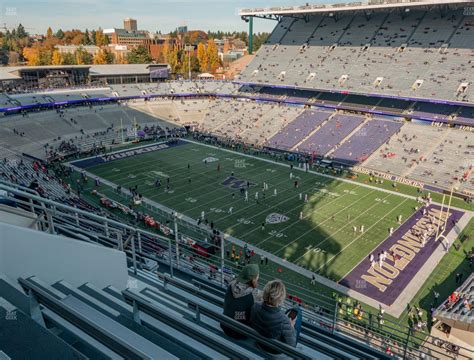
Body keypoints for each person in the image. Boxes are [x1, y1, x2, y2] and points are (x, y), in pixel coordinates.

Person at [250, 280, 301, 354]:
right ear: (280, 298)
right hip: (273, 351)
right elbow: (292, 345)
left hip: (257, 341)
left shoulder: (255, 306)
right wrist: (292, 327)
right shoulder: (284, 320)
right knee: (298, 311)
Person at [221, 264, 262, 339]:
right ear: (254, 278)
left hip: (224, 324)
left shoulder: (231, 284)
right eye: (257, 276)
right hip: (240, 332)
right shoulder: (254, 294)